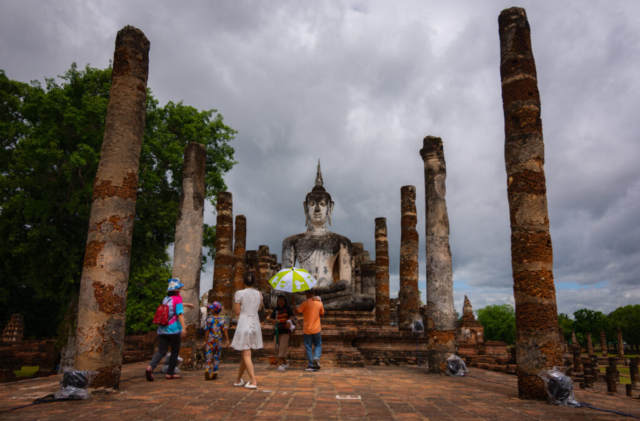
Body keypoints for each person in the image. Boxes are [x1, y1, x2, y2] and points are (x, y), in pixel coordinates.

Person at [146, 278, 196, 381]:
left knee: (162, 351)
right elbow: (180, 314)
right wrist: (184, 328)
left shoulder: (166, 299)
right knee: (174, 351)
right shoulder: (177, 299)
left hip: (162, 329)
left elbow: (173, 306)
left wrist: (186, 304)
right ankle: (170, 373)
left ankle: (150, 367)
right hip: (173, 330)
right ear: (177, 290)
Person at [231, 271, 263, 388]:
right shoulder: (259, 294)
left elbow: (237, 312)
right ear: (254, 282)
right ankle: (238, 379)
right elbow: (259, 308)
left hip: (244, 322)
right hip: (255, 323)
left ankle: (253, 381)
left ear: (243, 281)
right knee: (245, 353)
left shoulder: (239, 293)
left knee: (246, 353)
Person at [295, 289, 324, 371]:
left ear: (307, 293)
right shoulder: (319, 303)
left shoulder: (305, 303)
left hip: (307, 329)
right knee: (318, 344)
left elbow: (295, 312)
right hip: (316, 328)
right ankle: (316, 357)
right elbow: (322, 314)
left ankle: (311, 364)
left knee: (308, 347)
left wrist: (293, 303)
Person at [204, 301, 230, 381]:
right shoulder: (222, 320)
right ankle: (215, 371)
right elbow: (225, 331)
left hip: (210, 340)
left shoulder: (209, 320)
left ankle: (208, 369)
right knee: (216, 357)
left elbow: (207, 331)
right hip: (218, 341)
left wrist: (205, 340)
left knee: (208, 356)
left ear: (213, 310)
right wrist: (227, 340)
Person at [270, 295, 295, 371]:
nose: (280, 302)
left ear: (285, 301)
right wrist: (273, 321)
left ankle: (279, 364)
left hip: (285, 330)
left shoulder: (288, 308)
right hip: (277, 330)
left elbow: (291, 316)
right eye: (279, 300)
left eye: (282, 300)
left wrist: (288, 321)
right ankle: (285, 362)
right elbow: (271, 317)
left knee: (282, 347)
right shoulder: (276, 310)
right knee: (276, 347)